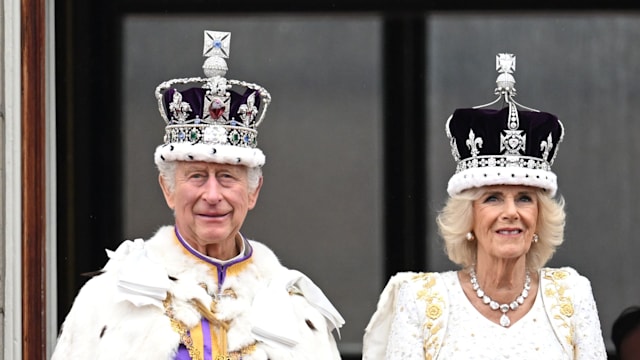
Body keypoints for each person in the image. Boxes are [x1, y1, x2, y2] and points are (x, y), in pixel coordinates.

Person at [52, 30, 344, 359]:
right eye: (196, 176)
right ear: (168, 189)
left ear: (253, 192)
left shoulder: (296, 310)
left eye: (227, 177)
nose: (212, 194)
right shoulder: (109, 300)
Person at [362, 53, 607, 359]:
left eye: (524, 198)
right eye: (492, 198)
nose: (510, 212)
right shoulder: (421, 300)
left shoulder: (572, 294)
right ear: (468, 218)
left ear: (539, 218)